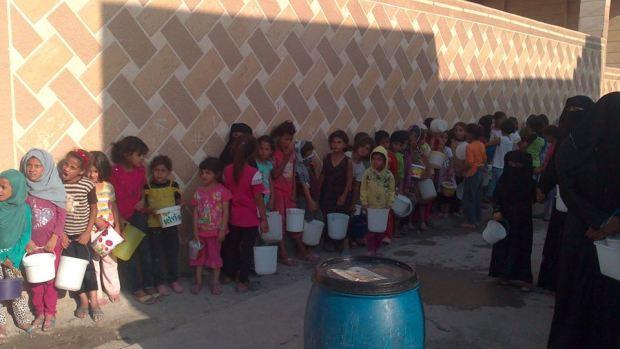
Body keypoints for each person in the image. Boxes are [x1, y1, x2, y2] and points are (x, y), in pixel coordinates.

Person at [548, 92, 620, 349]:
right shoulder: (576, 149)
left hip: (584, 231)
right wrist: (604, 223)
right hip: (595, 236)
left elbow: (567, 182)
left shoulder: (576, 148)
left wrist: (601, 221)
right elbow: (566, 181)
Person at [537, 96, 594, 293]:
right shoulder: (565, 139)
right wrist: (543, 187)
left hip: (586, 202)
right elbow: (555, 165)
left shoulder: (598, 139)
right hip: (565, 198)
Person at [20, 149, 66, 331]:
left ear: (46, 168)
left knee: (50, 279)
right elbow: (20, 218)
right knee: (35, 280)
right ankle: (39, 312)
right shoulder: (23, 190)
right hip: (31, 245)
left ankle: (50, 312)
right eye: (29, 165)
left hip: (51, 244)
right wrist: (26, 240)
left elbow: (62, 215)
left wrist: (55, 237)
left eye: (37, 166)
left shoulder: (55, 188)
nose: (32, 169)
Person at [109, 136, 157, 305]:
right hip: (122, 220)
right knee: (127, 255)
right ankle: (136, 288)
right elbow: (110, 198)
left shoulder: (140, 170)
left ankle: (149, 284)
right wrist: (118, 220)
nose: (143, 159)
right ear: (127, 154)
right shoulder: (114, 173)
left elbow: (143, 188)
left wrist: (143, 201)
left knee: (145, 253)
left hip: (138, 216)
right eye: (140, 155)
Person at [222, 135, 269, 292]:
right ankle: (242, 280)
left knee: (232, 246)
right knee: (247, 249)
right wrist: (264, 219)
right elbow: (258, 199)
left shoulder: (227, 171)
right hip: (249, 218)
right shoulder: (254, 173)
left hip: (233, 216)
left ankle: (229, 273)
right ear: (252, 153)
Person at [60, 150, 102, 322]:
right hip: (66, 236)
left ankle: (94, 301)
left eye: (72, 167)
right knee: (72, 269)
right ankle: (83, 301)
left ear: (81, 171)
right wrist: (60, 233)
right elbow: (57, 211)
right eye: (65, 164)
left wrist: (87, 232)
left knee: (88, 267)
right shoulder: (58, 185)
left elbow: (94, 209)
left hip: (82, 235)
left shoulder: (87, 185)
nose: (66, 169)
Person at [488, 150, 536, 291]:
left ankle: (524, 278)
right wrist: (497, 210)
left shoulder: (529, 181)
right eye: (511, 164)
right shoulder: (504, 179)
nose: (514, 167)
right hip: (505, 217)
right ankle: (504, 275)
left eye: (517, 164)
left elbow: (533, 199)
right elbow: (497, 196)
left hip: (522, 219)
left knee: (521, 247)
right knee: (503, 246)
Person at [271, 121, 314, 263]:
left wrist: (294, 192)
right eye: (286, 139)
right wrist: (284, 158)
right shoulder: (275, 153)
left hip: (289, 192)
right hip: (278, 193)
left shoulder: (292, 153)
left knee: (294, 221)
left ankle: (302, 250)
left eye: (290, 139)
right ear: (278, 138)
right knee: (280, 223)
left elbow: (294, 172)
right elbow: (275, 175)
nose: (288, 142)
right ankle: (284, 254)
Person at [0, 170, 33, 340]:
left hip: (13, 257)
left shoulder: (24, 209)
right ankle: (0, 323)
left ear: (17, 189)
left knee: (15, 290)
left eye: (3, 187)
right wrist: (1, 257)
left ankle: (22, 319)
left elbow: (25, 234)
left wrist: (12, 257)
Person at [190, 157, 231, 295]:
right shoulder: (198, 192)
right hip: (201, 233)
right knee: (198, 259)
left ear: (217, 174)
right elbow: (195, 213)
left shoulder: (222, 191)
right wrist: (195, 231)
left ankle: (215, 283)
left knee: (215, 258)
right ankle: (198, 283)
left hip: (215, 233)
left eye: (208, 173)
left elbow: (226, 212)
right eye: (202, 172)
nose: (203, 176)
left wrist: (222, 230)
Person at [143, 155, 183, 296]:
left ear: (169, 172)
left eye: (163, 171)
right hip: (154, 226)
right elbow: (145, 207)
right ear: (152, 171)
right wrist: (151, 211)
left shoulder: (174, 186)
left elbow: (179, 203)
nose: (159, 173)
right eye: (156, 170)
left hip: (171, 225)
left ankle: (174, 280)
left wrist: (178, 208)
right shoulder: (147, 187)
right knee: (157, 256)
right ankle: (159, 282)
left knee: (172, 253)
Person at [88, 151, 123, 305]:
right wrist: (95, 220)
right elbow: (83, 208)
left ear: (102, 170)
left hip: (108, 230)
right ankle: (97, 294)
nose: (91, 174)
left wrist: (117, 226)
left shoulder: (108, 187)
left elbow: (113, 206)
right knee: (94, 261)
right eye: (89, 170)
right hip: (93, 230)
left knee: (110, 260)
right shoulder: (85, 187)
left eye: (95, 171)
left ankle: (113, 289)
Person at [319, 130, 353, 253]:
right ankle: (328, 242)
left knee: (340, 218)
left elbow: (349, 180)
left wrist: (343, 196)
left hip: (340, 193)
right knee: (327, 217)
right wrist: (318, 190)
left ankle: (342, 243)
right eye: (333, 142)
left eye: (339, 142)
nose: (336, 145)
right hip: (327, 192)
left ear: (344, 145)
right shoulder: (327, 158)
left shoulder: (347, 161)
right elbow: (323, 174)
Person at [360, 146, 395, 256]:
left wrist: (389, 203)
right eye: (374, 158)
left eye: (379, 159)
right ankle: (370, 249)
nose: (375, 162)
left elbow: (391, 190)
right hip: (370, 206)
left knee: (380, 229)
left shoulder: (389, 175)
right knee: (371, 229)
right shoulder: (367, 173)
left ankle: (378, 248)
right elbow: (363, 188)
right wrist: (364, 202)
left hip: (383, 207)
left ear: (384, 160)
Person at [461, 124, 486, 229]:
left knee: (469, 197)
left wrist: (462, 169)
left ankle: (470, 221)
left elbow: (469, 163)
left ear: (470, 134)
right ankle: (477, 218)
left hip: (472, 172)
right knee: (477, 196)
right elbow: (484, 159)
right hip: (480, 172)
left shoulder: (469, 146)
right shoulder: (481, 144)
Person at [350, 137, 374, 244]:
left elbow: (357, 186)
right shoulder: (346, 156)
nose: (363, 149)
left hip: (350, 193)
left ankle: (355, 237)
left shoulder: (361, 168)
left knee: (358, 212)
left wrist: (353, 203)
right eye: (362, 146)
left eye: (367, 149)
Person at [485, 119, 516, 201]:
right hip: (504, 164)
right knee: (498, 182)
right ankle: (493, 196)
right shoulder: (511, 139)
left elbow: (488, 144)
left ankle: (491, 196)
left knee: (494, 181)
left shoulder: (501, 139)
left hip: (497, 164)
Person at [255, 135, 274, 207]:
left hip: (266, 196)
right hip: (256, 196)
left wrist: (272, 199)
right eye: (261, 148)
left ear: (271, 151)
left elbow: (270, 182)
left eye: (267, 149)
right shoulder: (254, 163)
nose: (263, 151)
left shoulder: (269, 165)